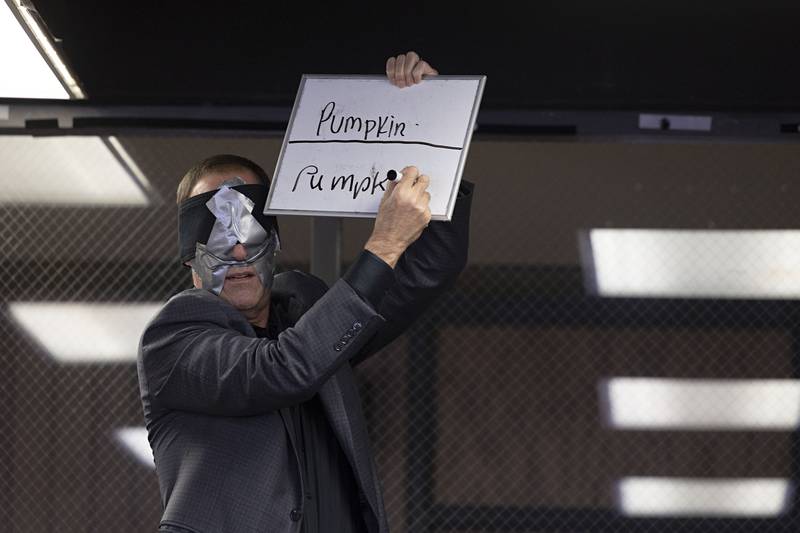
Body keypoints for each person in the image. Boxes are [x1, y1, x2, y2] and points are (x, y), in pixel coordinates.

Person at [137, 51, 473, 533]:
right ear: (188, 255)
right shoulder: (174, 339)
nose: (236, 253)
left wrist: (438, 125)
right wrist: (383, 243)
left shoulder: (306, 313)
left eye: (251, 236)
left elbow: (428, 269)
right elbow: (281, 369)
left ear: (274, 242)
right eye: (215, 238)